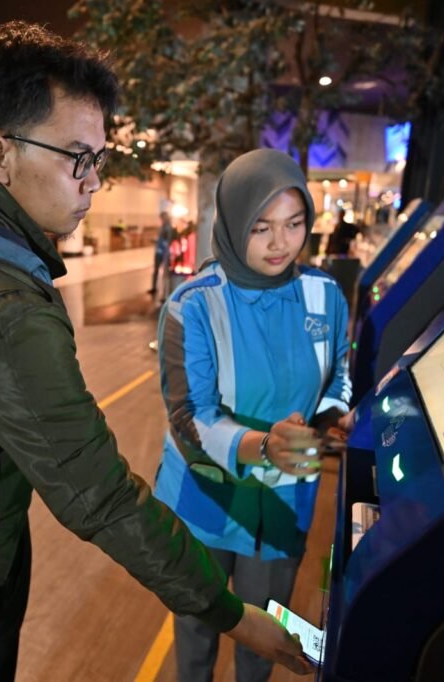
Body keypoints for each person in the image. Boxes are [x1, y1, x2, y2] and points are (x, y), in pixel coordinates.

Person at [0, 22, 312, 681]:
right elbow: (102, 497)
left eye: (99, 160)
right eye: (78, 158)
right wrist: (231, 613)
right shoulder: (1, 315)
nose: (93, 183)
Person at [154, 149, 354, 682]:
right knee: (197, 630)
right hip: (207, 498)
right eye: (261, 227)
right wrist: (264, 446)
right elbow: (189, 418)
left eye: (294, 225)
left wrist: (335, 414)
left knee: (265, 637)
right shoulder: (193, 305)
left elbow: (338, 374)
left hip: (285, 502)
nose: (279, 243)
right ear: (233, 220)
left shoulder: (326, 296)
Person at [150, 210, 178, 295]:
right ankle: (155, 288)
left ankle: (165, 292)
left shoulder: (168, 228)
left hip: (164, 252)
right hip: (159, 251)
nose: (162, 219)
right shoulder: (163, 227)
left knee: (165, 273)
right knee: (156, 270)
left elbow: (168, 241)